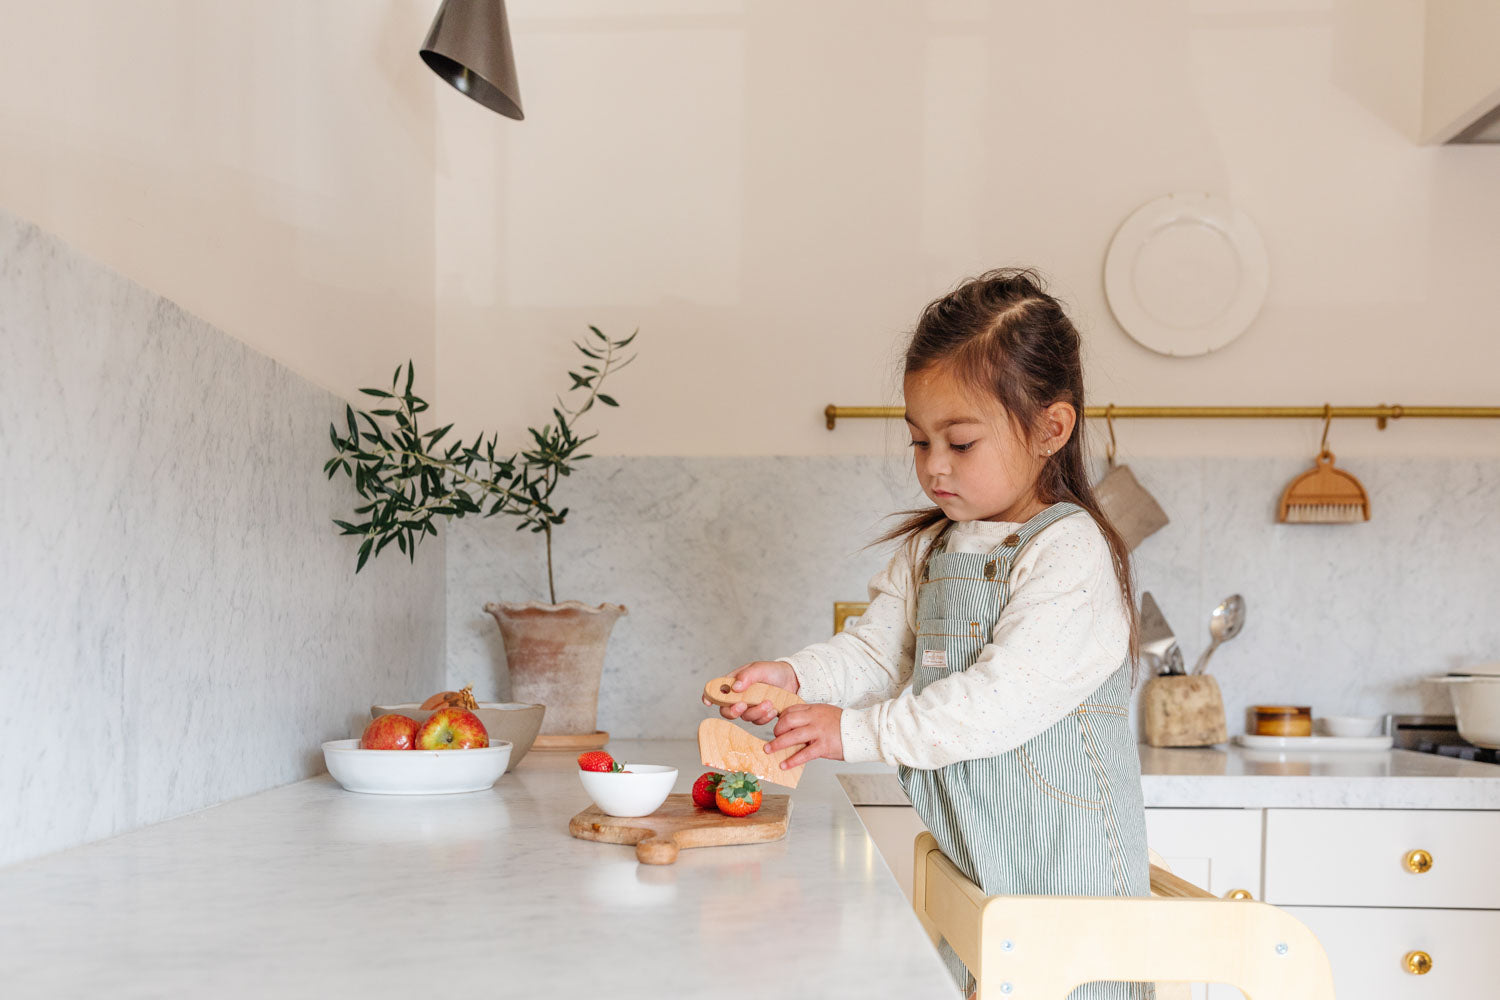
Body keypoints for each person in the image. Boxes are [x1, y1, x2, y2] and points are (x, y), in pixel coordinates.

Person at [710, 268, 1150, 999]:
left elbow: (998, 701)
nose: (934, 468)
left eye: (961, 443)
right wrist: (796, 678)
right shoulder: (932, 548)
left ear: (1051, 428)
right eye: (919, 442)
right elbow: (879, 652)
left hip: (1066, 888)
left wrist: (852, 731)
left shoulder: (1068, 551)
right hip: (979, 871)